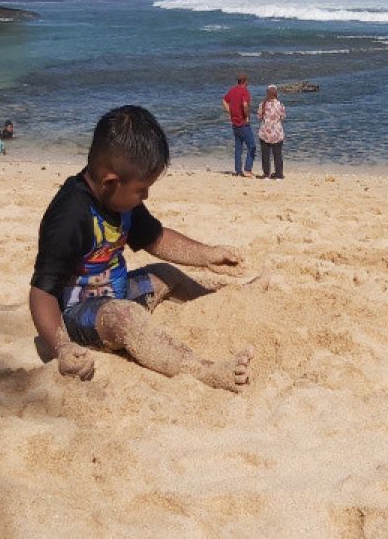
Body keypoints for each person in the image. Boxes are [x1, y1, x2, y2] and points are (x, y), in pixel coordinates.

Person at [29, 105, 254, 391]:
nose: (145, 196)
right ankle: (202, 370)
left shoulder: (119, 200)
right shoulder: (69, 217)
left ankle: (225, 295)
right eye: (141, 189)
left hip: (120, 290)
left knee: (165, 273)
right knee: (127, 317)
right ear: (111, 182)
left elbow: (156, 238)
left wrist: (206, 255)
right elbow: (41, 292)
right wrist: (61, 346)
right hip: (80, 314)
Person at [222, 74, 256, 177]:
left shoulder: (232, 90)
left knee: (238, 148)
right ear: (245, 81)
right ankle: (247, 169)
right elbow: (245, 105)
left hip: (235, 123)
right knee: (252, 146)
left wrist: (230, 112)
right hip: (242, 123)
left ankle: (238, 170)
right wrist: (247, 117)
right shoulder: (244, 91)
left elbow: (224, 100)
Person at [257, 84, 286, 179]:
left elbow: (259, 117)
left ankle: (266, 174)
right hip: (277, 133)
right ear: (276, 93)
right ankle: (278, 174)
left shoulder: (263, 104)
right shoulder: (280, 105)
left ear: (267, 93)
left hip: (265, 132)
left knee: (265, 155)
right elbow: (283, 117)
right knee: (277, 155)